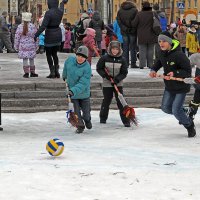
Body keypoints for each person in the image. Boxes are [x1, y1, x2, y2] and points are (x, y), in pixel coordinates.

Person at [149, 31, 196, 137]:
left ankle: (189, 125)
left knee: (175, 110)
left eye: (164, 41)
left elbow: (187, 72)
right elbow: (159, 61)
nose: (161, 43)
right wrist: (153, 70)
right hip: (169, 86)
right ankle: (185, 112)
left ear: (170, 42)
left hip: (181, 86)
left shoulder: (179, 55)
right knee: (165, 108)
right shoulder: (161, 52)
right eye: (160, 41)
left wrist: (175, 73)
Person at [96, 40, 130, 127]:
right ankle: (103, 118)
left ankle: (126, 120)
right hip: (107, 83)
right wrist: (106, 76)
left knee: (121, 101)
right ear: (110, 49)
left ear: (119, 50)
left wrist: (117, 79)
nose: (115, 51)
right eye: (113, 49)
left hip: (118, 84)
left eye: (116, 49)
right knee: (107, 100)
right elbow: (99, 68)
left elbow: (124, 72)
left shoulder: (122, 60)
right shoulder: (104, 58)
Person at [34, 0, 68, 78]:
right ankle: (57, 72)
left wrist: (36, 35)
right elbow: (62, 4)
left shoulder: (48, 13)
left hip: (50, 34)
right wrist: (63, 2)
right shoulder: (60, 11)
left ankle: (52, 72)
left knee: (49, 54)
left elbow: (43, 26)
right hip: (58, 34)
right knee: (55, 54)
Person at [62, 46, 92, 134]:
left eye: (82, 57)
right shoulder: (70, 60)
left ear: (86, 58)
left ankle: (87, 120)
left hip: (84, 94)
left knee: (86, 114)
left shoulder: (87, 68)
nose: (80, 58)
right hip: (73, 94)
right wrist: (64, 76)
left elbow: (83, 83)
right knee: (76, 112)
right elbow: (66, 69)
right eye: (78, 55)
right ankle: (80, 126)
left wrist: (72, 91)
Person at [132, 1, 158, 69]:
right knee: (151, 50)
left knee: (142, 50)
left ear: (143, 6)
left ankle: (142, 65)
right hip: (152, 34)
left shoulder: (139, 14)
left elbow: (134, 24)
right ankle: (150, 64)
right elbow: (158, 23)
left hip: (141, 35)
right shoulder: (153, 13)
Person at [14, 12, 38, 78]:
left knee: (25, 59)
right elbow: (36, 37)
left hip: (23, 46)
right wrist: (36, 45)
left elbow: (17, 37)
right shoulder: (33, 26)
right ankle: (33, 73)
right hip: (31, 46)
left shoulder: (20, 27)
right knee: (31, 59)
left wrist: (16, 46)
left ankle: (26, 73)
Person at [117, 0, 138, 68]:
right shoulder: (135, 10)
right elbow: (136, 21)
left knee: (125, 48)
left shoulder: (120, 11)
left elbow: (119, 21)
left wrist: (125, 28)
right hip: (133, 32)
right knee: (133, 48)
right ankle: (133, 63)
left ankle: (125, 63)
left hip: (124, 32)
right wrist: (133, 28)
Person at [186, 52, 200, 119]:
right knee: (197, 94)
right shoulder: (196, 56)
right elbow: (185, 65)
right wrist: (190, 77)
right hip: (199, 80)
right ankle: (191, 115)